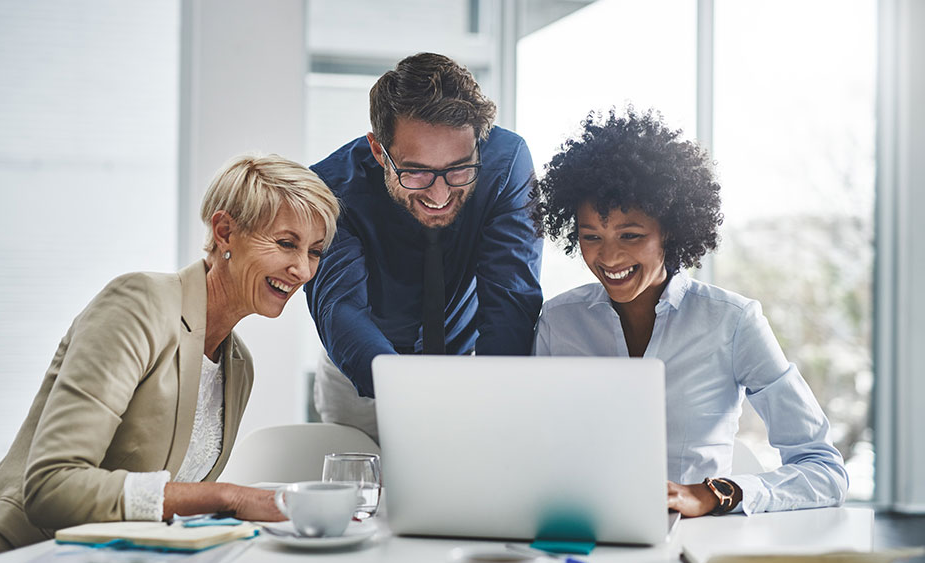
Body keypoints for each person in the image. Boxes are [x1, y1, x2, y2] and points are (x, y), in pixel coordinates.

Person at [0, 154, 340, 554]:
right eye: (285, 243)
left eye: (314, 251)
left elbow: (167, 509)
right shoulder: (139, 304)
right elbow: (52, 485)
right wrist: (227, 497)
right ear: (224, 231)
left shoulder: (238, 365)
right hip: (25, 556)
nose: (303, 270)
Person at [532, 108, 848, 516]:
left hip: (693, 544)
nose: (608, 256)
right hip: (583, 534)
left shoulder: (732, 323)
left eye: (630, 235)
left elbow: (824, 470)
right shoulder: (559, 322)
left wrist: (711, 494)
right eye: (591, 236)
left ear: (671, 230)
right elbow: (534, 448)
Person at [306, 52, 543, 442]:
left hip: (470, 366)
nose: (439, 192)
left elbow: (511, 298)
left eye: (458, 168)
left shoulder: (506, 163)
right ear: (379, 150)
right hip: (362, 378)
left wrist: (492, 399)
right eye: (416, 171)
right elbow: (341, 308)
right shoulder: (329, 188)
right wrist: (413, 398)